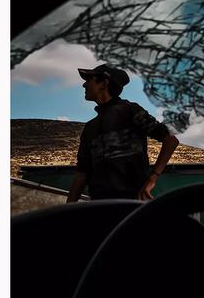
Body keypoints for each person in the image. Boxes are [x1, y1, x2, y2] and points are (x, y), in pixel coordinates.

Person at [66, 64, 179, 202]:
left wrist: (152, 178)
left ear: (104, 83)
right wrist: (67, 213)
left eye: (89, 79)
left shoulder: (130, 111)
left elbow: (171, 140)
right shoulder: (90, 127)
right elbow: (82, 173)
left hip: (132, 206)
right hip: (99, 208)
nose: (84, 85)